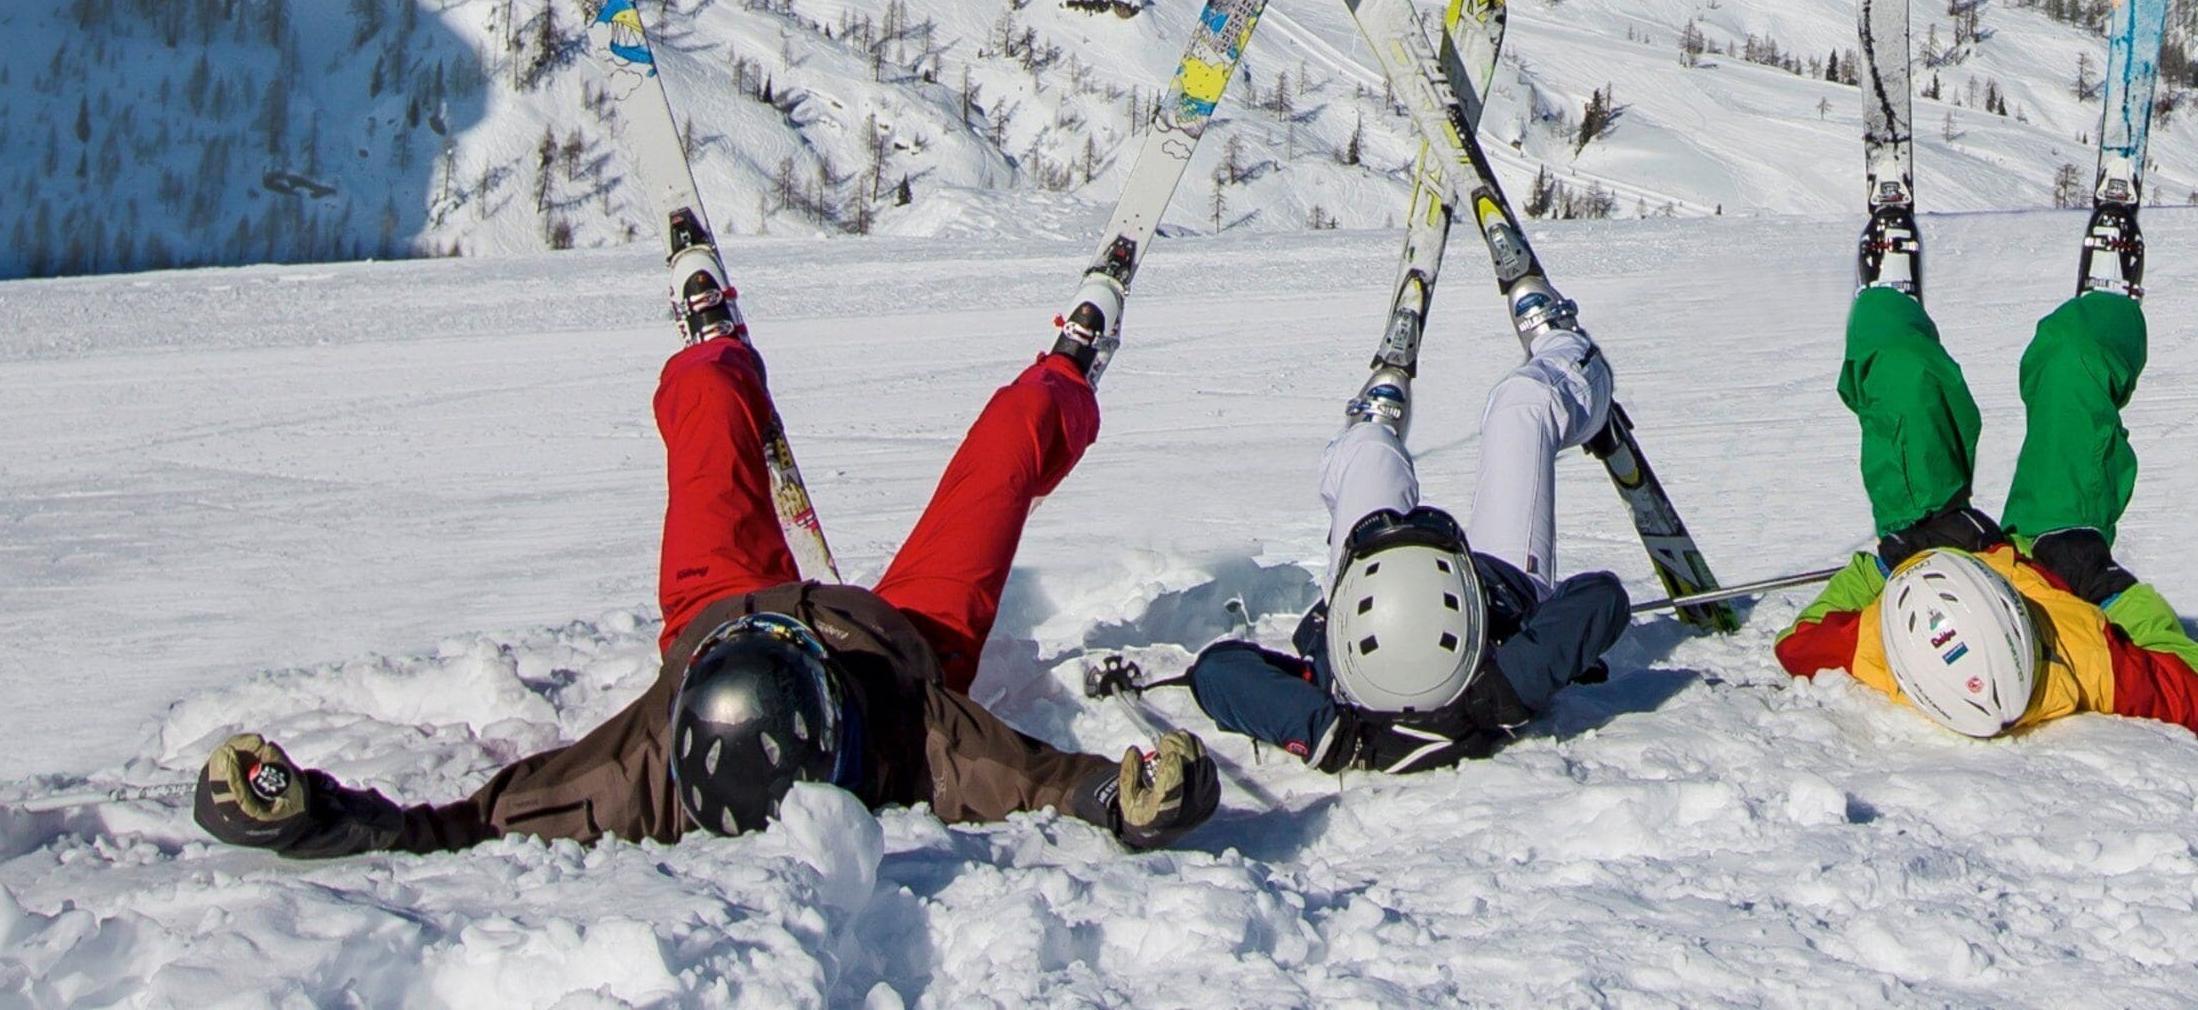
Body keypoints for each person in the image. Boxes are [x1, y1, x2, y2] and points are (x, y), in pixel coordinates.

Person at [194, 308, 1218, 856]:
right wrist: (1132, 800)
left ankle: (713, 350)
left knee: (709, 414)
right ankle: (1067, 370)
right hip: (896, 639)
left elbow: (463, 826)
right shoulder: (917, 735)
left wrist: (306, 813)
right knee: (1005, 454)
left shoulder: (631, 768)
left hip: (715, 607)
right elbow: (1043, 782)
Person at [1776, 280, 2198, 739]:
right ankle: (2109, 304)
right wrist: (2106, 584)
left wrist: (1889, 562)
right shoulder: (2083, 657)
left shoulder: (1883, 646)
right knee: (2075, 364)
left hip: (1932, 546)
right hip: (2057, 561)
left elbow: (1800, 641)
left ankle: (1886, 299)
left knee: (1900, 377)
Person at [1185, 329, 1633, 774]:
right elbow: (1602, 597)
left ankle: (1369, 429)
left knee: (1368, 450)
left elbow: (1216, 671)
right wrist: (1494, 696)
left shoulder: (1345, 700)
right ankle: (1569, 353)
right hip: (1502, 577)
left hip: (1370, 566)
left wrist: (1337, 738)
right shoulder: (1506, 684)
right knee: (1525, 404)